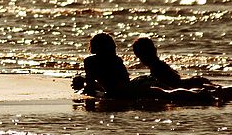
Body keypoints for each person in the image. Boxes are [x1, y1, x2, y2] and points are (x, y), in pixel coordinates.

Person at [74, 33, 217, 105]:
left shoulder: (90, 61)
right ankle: (200, 95)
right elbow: (124, 79)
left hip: (125, 92)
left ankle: (200, 95)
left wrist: (83, 87)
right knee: (167, 93)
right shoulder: (116, 60)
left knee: (167, 94)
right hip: (131, 87)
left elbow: (93, 88)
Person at [131, 36, 232, 101]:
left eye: (140, 56)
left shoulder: (157, 68)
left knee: (224, 91)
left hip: (191, 84)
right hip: (192, 81)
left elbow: (170, 86)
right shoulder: (159, 64)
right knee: (226, 89)